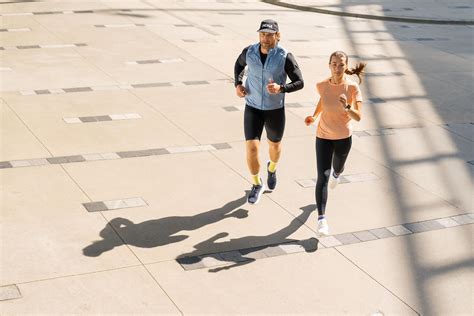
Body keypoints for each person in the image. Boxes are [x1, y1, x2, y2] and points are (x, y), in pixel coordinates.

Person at [234, 19, 304, 204]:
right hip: (253, 107)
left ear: (277, 36)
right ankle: (257, 184)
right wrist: (238, 84)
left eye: (270, 34)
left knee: (274, 146)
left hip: (274, 110)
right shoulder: (249, 52)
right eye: (262, 34)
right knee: (252, 147)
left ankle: (272, 168)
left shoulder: (285, 56)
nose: (265, 38)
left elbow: (299, 82)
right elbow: (238, 66)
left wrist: (281, 88)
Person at [304, 51, 366, 235]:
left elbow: (359, 117)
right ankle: (321, 220)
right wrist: (313, 116)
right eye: (334, 64)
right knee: (322, 177)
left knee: (337, 168)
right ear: (329, 65)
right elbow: (323, 101)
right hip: (323, 136)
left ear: (346, 66)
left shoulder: (352, 88)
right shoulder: (322, 85)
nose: (337, 68)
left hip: (343, 138)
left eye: (341, 64)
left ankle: (338, 174)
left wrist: (347, 106)